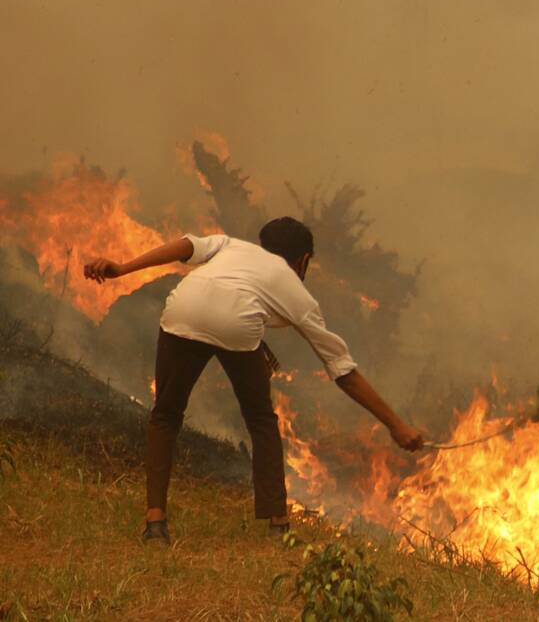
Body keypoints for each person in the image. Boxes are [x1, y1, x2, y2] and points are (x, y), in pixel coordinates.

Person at [83, 217, 425, 544]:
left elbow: (185, 245)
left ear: (263, 244)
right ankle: (278, 525)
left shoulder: (230, 245)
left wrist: (122, 268)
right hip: (237, 324)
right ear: (303, 261)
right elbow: (342, 370)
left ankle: (155, 521)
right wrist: (395, 425)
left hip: (183, 309)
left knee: (166, 415)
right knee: (261, 419)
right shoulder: (295, 288)